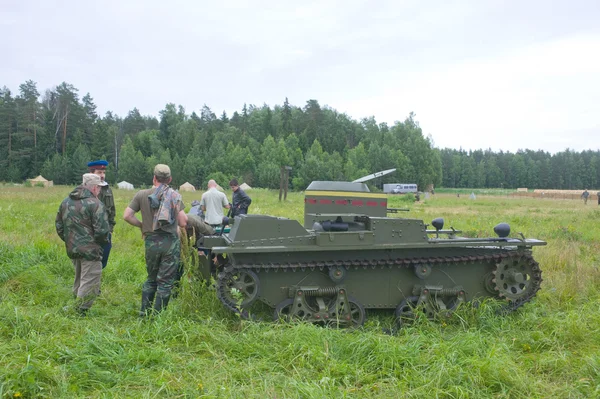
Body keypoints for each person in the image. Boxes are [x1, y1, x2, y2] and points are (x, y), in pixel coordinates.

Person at [123, 164, 188, 316]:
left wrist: (142, 226)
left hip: (151, 241)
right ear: (170, 179)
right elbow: (183, 222)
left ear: (154, 178)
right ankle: (158, 317)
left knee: (151, 278)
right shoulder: (174, 196)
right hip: (170, 243)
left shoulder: (141, 194)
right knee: (165, 282)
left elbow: (127, 216)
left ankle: (144, 314)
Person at [55, 173, 110, 316]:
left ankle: (75, 303)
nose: (100, 191)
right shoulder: (96, 204)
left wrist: (70, 241)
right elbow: (103, 231)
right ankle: (78, 311)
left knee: (80, 277)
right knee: (90, 280)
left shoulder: (66, 202)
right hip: (91, 250)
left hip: (72, 248)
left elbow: (59, 226)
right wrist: (99, 245)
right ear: (95, 187)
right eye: (99, 188)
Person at [87, 160, 116, 269]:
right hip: (90, 233)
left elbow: (112, 211)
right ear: (92, 173)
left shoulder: (107, 189)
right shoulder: (86, 189)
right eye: (99, 172)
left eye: (104, 172)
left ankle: (96, 282)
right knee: (90, 263)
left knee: (102, 263)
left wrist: (110, 230)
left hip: (105, 232)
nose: (102, 175)